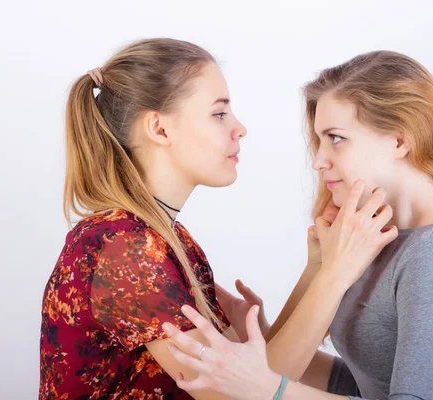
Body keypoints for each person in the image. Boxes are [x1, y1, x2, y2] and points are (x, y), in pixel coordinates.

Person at [38, 38, 396, 399]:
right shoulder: (125, 249)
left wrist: (317, 269)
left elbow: (257, 376)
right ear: (160, 129)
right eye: (219, 113)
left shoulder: (164, 240)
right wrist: (335, 276)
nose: (239, 128)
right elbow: (239, 396)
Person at [164, 50, 433, 400]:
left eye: (335, 138)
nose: (320, 161)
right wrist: (262, 345)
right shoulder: (377, 240)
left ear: (400, 140)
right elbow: (366, 384)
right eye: (319, 141)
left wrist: (270, 389)